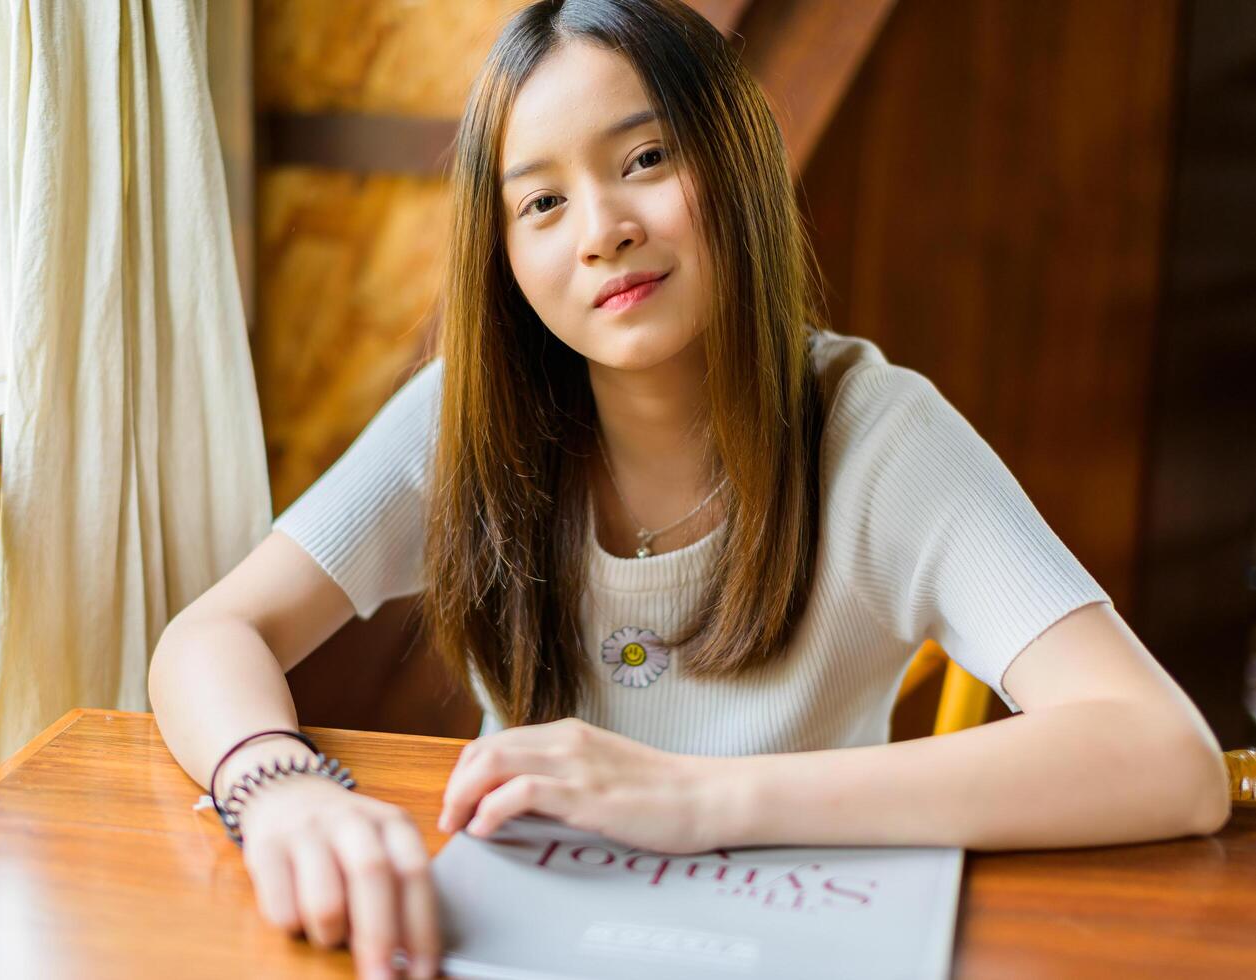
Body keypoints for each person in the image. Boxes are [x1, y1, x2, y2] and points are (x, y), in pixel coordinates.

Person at [148, 2, 1231, 978]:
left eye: (648, 156)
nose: (601, 227)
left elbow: (1166, 758)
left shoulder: (881, 436)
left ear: (737, 161)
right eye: (540, 202)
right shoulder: (462, 422)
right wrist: (275, 784)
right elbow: (213, 633)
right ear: (504, 261)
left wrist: (701, 798)